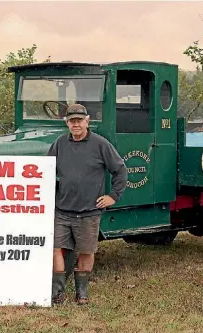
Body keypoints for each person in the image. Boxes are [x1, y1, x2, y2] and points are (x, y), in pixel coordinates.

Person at [47, 103, 127, 305]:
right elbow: (46, 169)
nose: (76, 124)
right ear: (67, 123)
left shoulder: (100, 144)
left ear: (87, 121)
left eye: (79, 121)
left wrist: (113, 196)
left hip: (89, 211)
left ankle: (81, 292)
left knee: (86, 251)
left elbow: (120, 169)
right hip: (62, 210)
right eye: (72, 121)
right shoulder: (59, 144)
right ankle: (57, 293)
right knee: (55, 249)